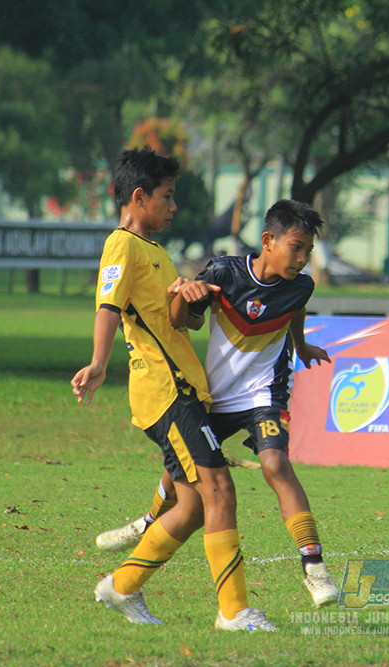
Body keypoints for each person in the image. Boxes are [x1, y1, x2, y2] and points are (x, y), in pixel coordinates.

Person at [95, 198, 340, 608]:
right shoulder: (225, 271)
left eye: (308, 252)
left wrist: (301, 344)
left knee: (276, 464)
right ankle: (148, 521)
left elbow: (296, 309)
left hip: (265, 394)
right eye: (295, 247)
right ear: (268, 240)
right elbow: (180, 319)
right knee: (182, 477)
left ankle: (314, 569)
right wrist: (183, 293)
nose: (302, 259)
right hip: (215, 396)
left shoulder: (302, 285)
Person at [71, 147, 275, 631]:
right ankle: (234, 612)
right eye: (167, 197)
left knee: (191, 507)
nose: (174, 206)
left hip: (184, 390)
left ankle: (120, 588)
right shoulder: (121, 245)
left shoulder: (156, 253)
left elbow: (172, 322)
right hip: (166, 394)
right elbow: (108, 304)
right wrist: (99, 362)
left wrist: (186, 294)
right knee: (220, 488)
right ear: (138, 197)